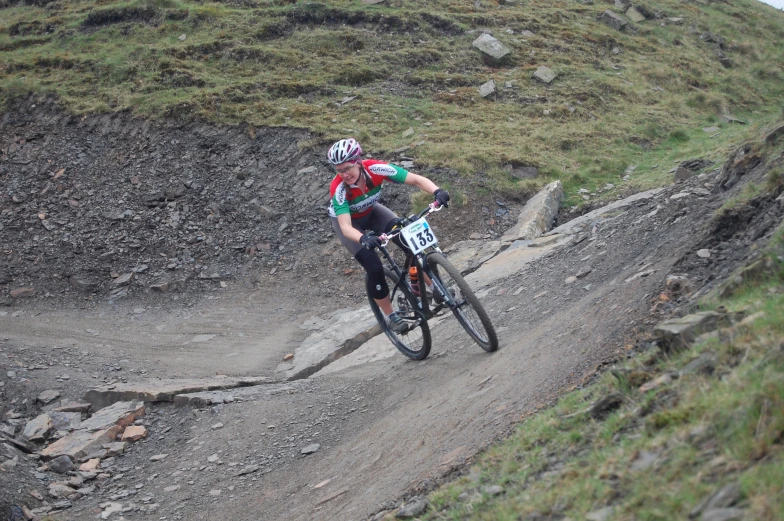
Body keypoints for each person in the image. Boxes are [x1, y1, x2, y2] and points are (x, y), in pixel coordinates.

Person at [327, 138, 450, 333]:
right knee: (373, 265)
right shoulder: (339, 189)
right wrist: (364, 238)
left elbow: (415, 179)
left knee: (407, 239)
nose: (344, 174)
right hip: (350, 225)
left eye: (347, 168)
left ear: (358, 161)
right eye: (339, 170)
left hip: (372, 212)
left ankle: (435, 288)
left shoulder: (376, 169)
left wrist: (437, 191)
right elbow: (345, 226)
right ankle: (391, 316)